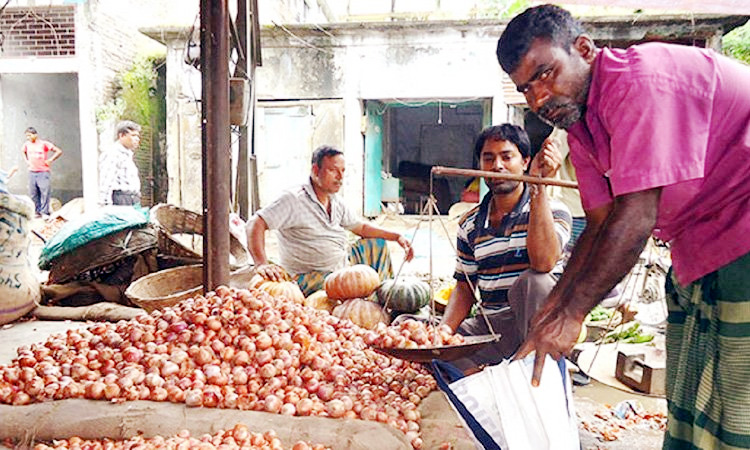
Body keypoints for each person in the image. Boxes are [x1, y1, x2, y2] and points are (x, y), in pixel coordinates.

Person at [497, 5, 750, 448]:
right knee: (691, 394)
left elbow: (636, 215)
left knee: (737, 395)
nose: (538, 99)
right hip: (700, 242)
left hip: (742, 232)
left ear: (584, 49)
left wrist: (574, 314)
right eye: (526, 89)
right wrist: (552, 309)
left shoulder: (639, 82)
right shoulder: (582, 125)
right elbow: (598, 223)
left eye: (545, 74)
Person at [440, 124, 571, 371]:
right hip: (491, 328)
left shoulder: (554, 211)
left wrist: (539, 187)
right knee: (415, 334)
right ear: (480, 166)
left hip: (537, 325)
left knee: (536, 280)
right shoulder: (469, 224)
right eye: (488, 158)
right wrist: (442, 333)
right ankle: (493, 371)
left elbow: (543, 262)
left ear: (525, 162)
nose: (497, 166)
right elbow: (465, 288)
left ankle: (529, 364)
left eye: (507, 157)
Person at [247, 145, 414, 296]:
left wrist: (396, 236)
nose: (340, 177)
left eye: (343, 171)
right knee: (346, 285)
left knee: (376, 245)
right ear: (315, 170)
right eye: (333, 170)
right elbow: (256, 223)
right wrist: (261, 264)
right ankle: (367, 301)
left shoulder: (335, 201)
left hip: (340, 267)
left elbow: (361, 228)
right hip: (309, 277)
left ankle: (384, 301)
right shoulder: (293, 199)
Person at [99, 120, 142, 206]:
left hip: (132, 199)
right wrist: (105, 204)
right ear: (121, 135)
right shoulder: (113, 154)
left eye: (137, 136)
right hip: (121, 199)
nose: (137, 139)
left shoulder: (127, 155)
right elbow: (106, 181)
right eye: (133, 135)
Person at [22, 127, 62, 218]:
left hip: (43, 172)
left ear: (35, 135)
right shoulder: (26, 145)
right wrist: (27, 161)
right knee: (33, 193)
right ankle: (37, 212)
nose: (28, 137)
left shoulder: (44, 144)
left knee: (44, 192)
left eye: (29, 135)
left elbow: (58, 151)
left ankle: (45, 212)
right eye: (27, 136)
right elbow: (23, 152)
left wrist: (50, 160)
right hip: (32, 172)